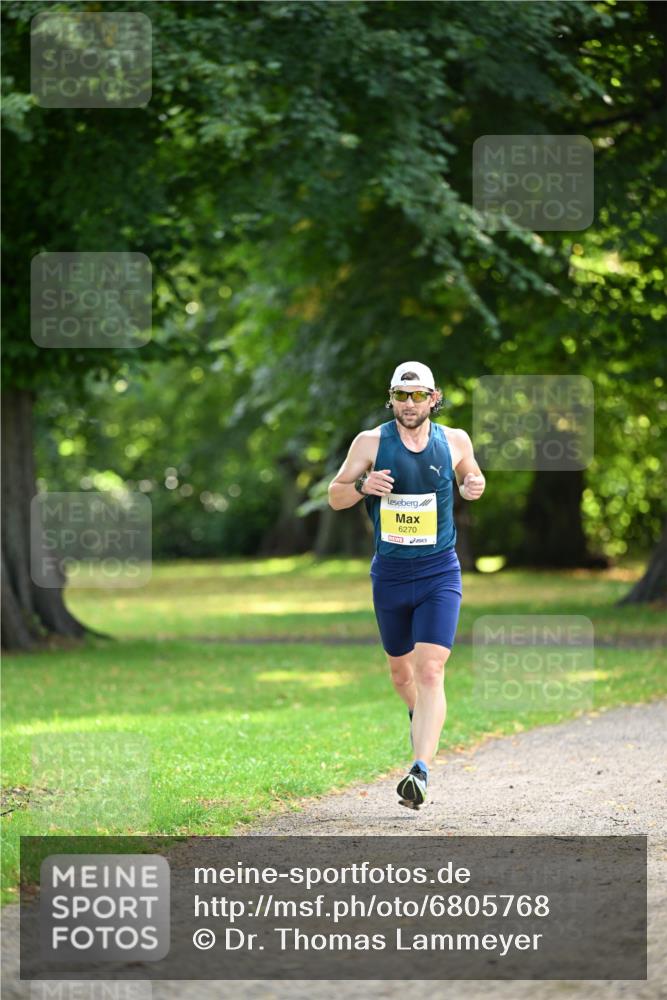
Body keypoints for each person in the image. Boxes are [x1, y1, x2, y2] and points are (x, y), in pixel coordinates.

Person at [327, 361, 485, 809]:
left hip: (439, 572)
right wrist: (363, 483)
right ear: (391, 398)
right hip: (391, 575)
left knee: (430, 668)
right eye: (402, 395)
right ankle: (420, 718)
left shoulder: (454, 440)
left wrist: (474, 485)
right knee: (401, 673)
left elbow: (472, 476)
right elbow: (335, 495)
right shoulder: (371, 442)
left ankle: (420, 771)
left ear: (434, 398)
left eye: (419, 396)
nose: (410, 403)